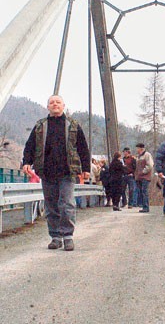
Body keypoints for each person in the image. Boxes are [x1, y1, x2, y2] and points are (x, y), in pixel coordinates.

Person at [22, 95, 90, 251]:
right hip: (46, 172)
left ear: (63, 105)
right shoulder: (40, 126)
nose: (55, 104)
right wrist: (26, 162)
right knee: (51, 205)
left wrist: (86, 169)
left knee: (66, 203)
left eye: (58, 102)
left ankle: (68, 237)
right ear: (48, 107)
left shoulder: (73, 125)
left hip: (68, 172)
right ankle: (55, 237)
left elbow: (83, 148)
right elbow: (30, 146)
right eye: (51, 102)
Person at [134, 143, 154, 213]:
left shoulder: (147, 155)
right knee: (142, 192)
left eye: (137, 148)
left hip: (145, 177)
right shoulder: (138, 156)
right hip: (139, 177)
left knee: (144, 191)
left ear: (141, 148)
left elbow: (150, 165)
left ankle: (146, 207)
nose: (137, 150)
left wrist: (143, 171)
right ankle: (143, 206)